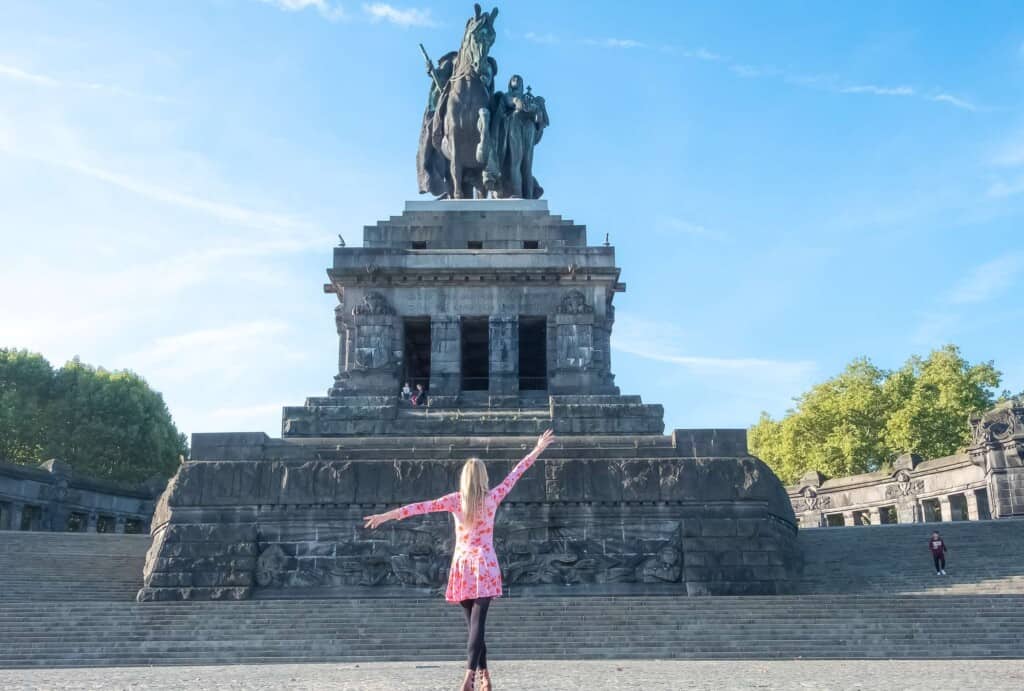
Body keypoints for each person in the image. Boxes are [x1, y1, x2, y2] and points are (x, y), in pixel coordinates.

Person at [363, 429, 556, 691]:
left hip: (463, 566)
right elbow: (517, 473)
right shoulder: (493, 498)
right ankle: (470, 677)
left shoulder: (455, 501)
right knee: (478, 625)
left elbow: (419, 507)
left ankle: (482, 676)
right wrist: (538, 448)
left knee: (473, 626)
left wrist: (385, 516)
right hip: (485, 566)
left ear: (464, 479)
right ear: (483, 478)